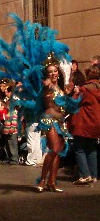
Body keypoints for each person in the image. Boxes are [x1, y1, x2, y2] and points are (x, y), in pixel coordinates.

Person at [36, 54, 78, 193]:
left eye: (55, 71)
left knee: (58, 152)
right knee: (54, 149)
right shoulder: (46, 86)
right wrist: (47, 84)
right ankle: (42, 180)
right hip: (49, 120)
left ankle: (52, 182)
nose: (53, 73)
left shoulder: (60, 88)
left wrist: (69, 94)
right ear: (46, 74)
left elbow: (63, 105)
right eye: (50, 71)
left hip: (60, 122)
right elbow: (46, 94)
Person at [69, 66, 100, 184]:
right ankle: (93, 175)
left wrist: (75, 93)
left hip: (84, 122)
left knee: (79, 148)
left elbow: (74, 102)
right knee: (92, 149)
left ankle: (85, 175)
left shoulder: (84, 89)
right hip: (96, 123)